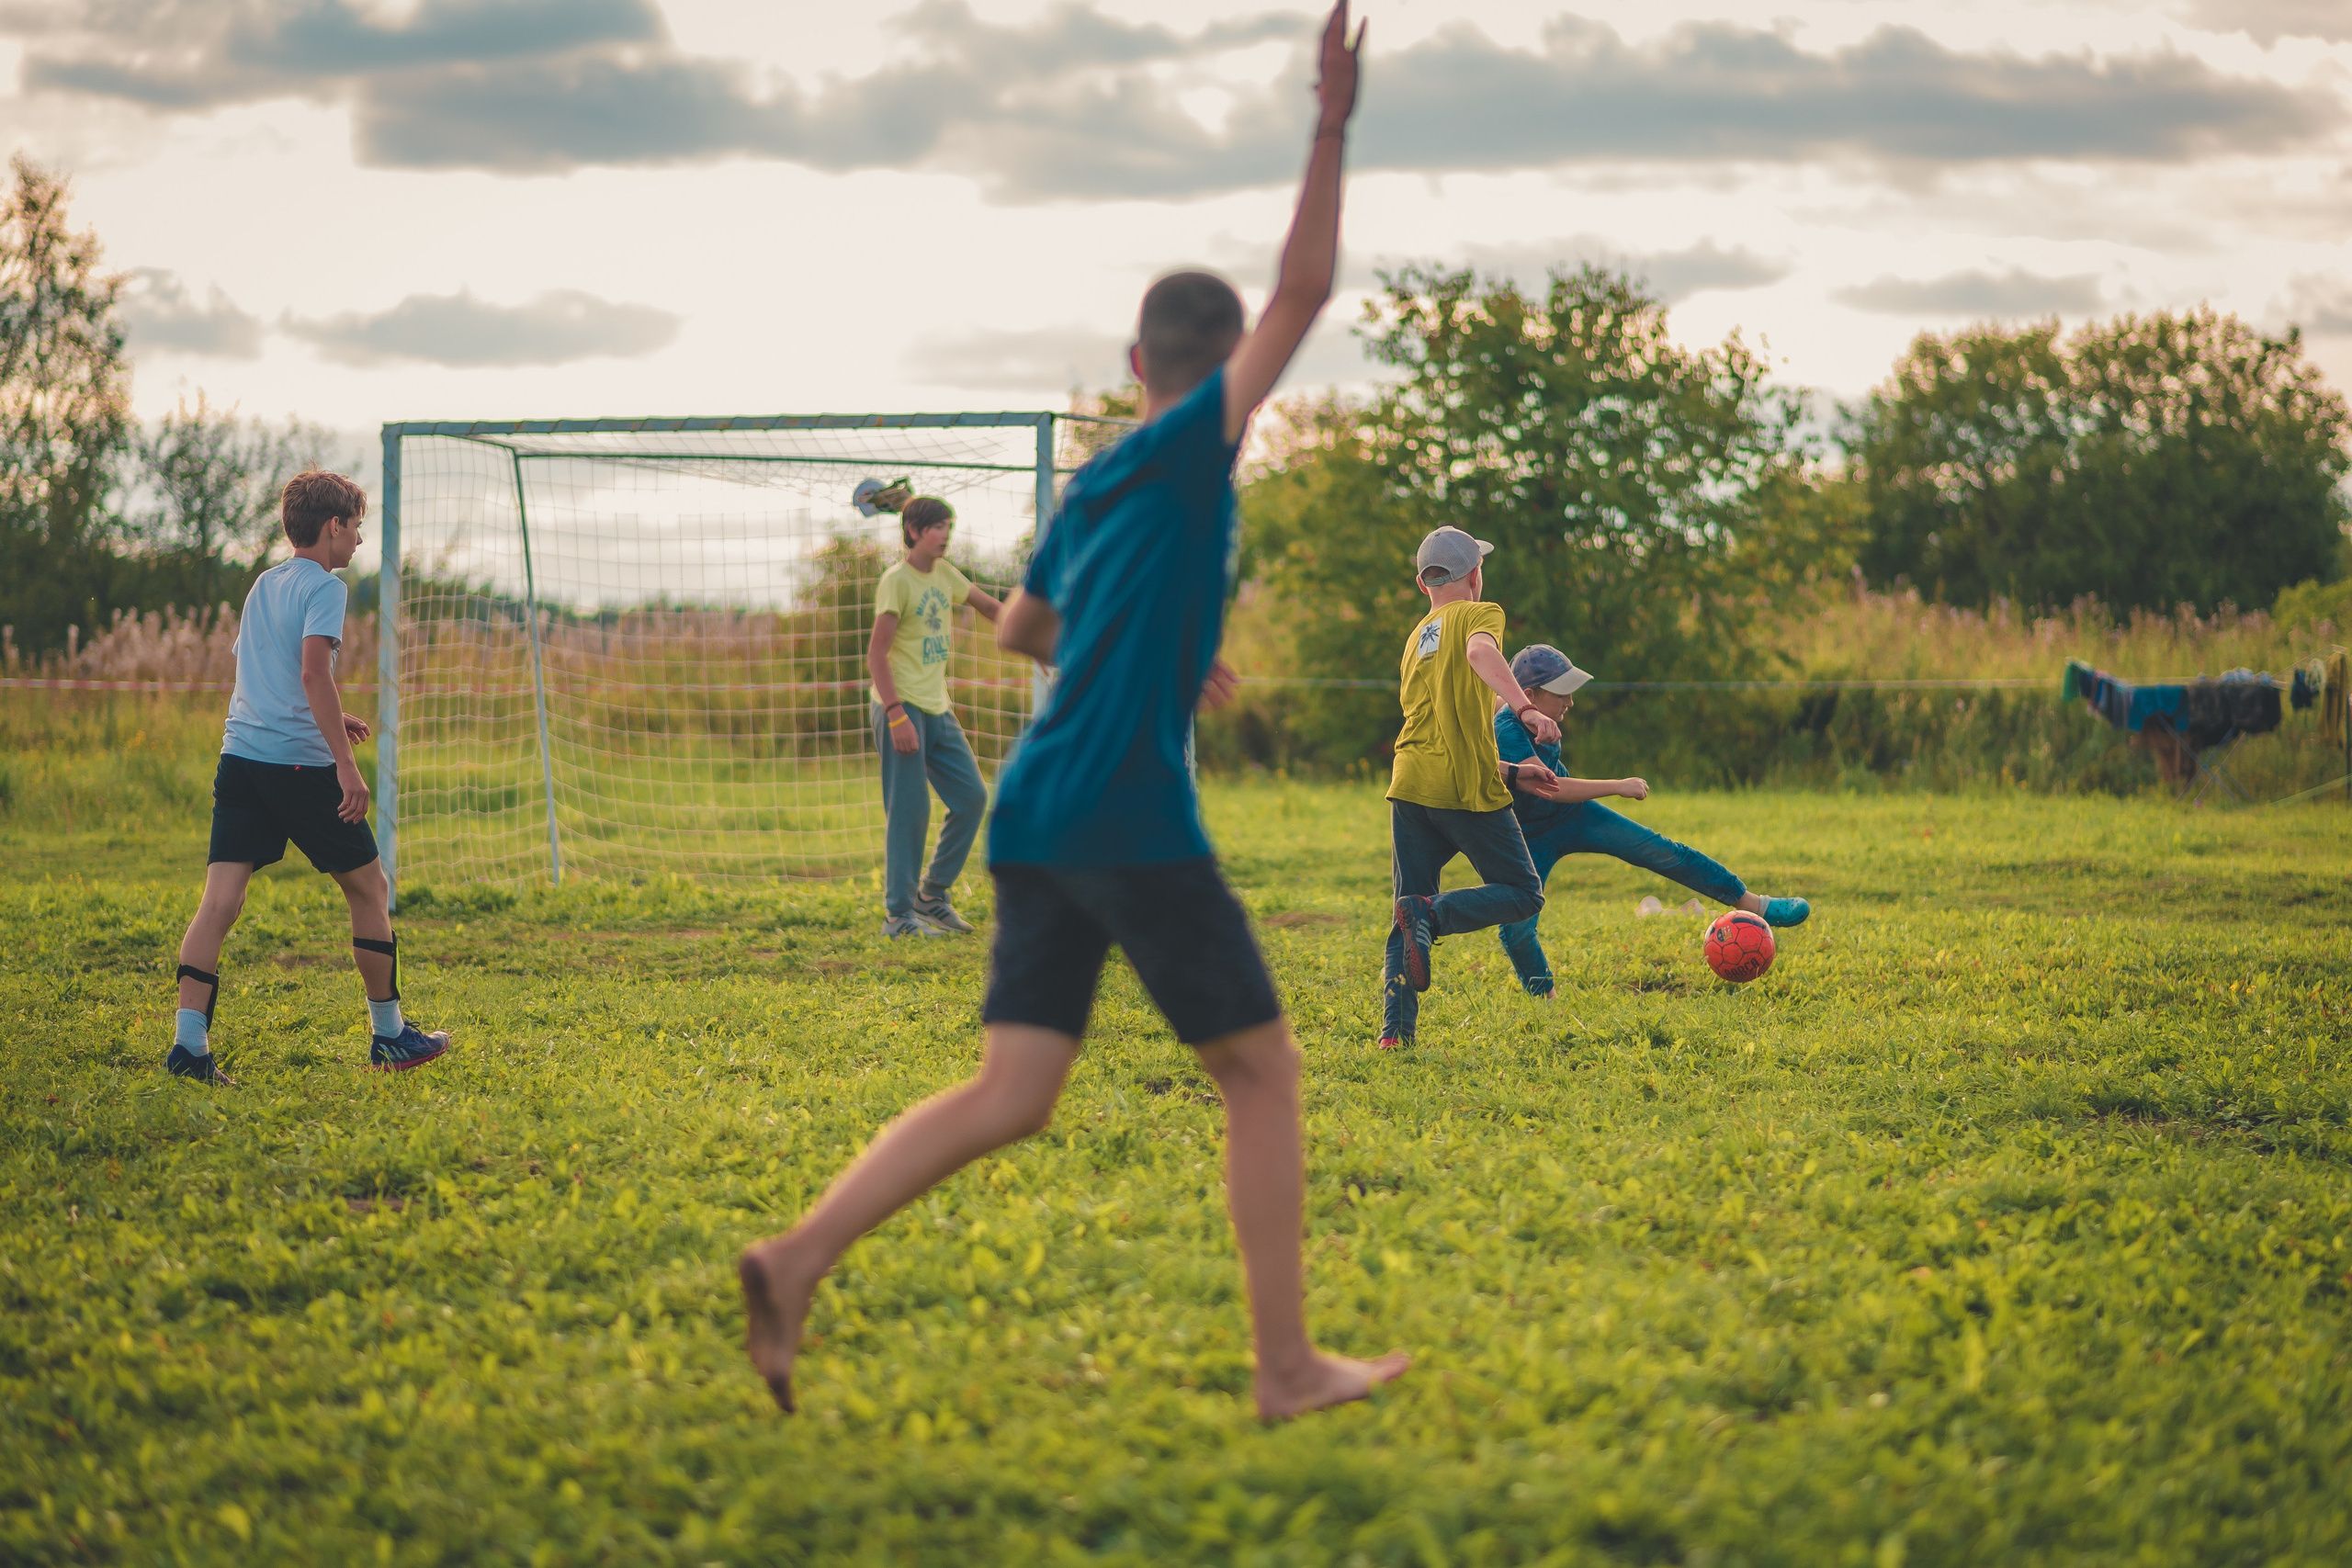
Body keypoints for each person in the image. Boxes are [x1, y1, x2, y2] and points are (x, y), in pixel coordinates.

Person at [740, 1, 1407, 1422]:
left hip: (1040, 806)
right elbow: (1303, 291)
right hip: (1119, 806)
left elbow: (1033, 629)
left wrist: (1164, 652)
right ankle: (1286, 1366)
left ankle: (795, 1257)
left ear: (1129, 357)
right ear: (1219, 372)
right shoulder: (1187, 447)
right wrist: (1330, 120)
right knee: (1265, 1073)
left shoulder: (1097, 480)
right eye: (1247, 370)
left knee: (1015, 1091)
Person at [165, 469, 451, 1086]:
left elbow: (264, 668)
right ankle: (391, 1035)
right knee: (370, 887)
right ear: (332, 527)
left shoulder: (263, 584)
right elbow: (312, 674)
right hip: (298, 766)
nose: (357, 540)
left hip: (240, 757)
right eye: (355, 528)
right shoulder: (324, 588)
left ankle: (189, 1047)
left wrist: (331, 717)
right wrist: (345, 767)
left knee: (220, 901)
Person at [1494, 643, 1811, 997]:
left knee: (1660, 850)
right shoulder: (1506, 730)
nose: (1571, 703)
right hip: (1529, 835)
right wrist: (1617, 785)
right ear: (1529, 695)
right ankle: (1545, 999)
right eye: (1563, 693)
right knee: (1518, 926)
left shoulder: (1540, 717)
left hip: (1573, 815)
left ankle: (1755, 904)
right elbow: (1548, 788)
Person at [1379, 526, 1565, 1050]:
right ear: (1475, 575)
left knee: (1404, 907)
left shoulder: (1416, 639)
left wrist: (1511, 770)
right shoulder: (1481, 614)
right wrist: (1525, 707)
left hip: (1410, 782)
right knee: (1524, 892)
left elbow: (1440, 726)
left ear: (1423, 584)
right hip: (1462, 789)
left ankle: (1395, 1034)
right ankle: (1433, 915)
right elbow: (1481, 655)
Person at [867, 494, 1002, 938]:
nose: (945, 534)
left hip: (937, 706)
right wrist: (895, 714)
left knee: (971, 798)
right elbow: (877, 654)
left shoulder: (945, 574)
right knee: (910, 809)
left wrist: (1043, 629)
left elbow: (991, 608)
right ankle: (897, 916)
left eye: (949, 526)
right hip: (901, 707)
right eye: (937, 527)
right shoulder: (896, 581)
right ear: (913, 532)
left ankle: (931, 896)